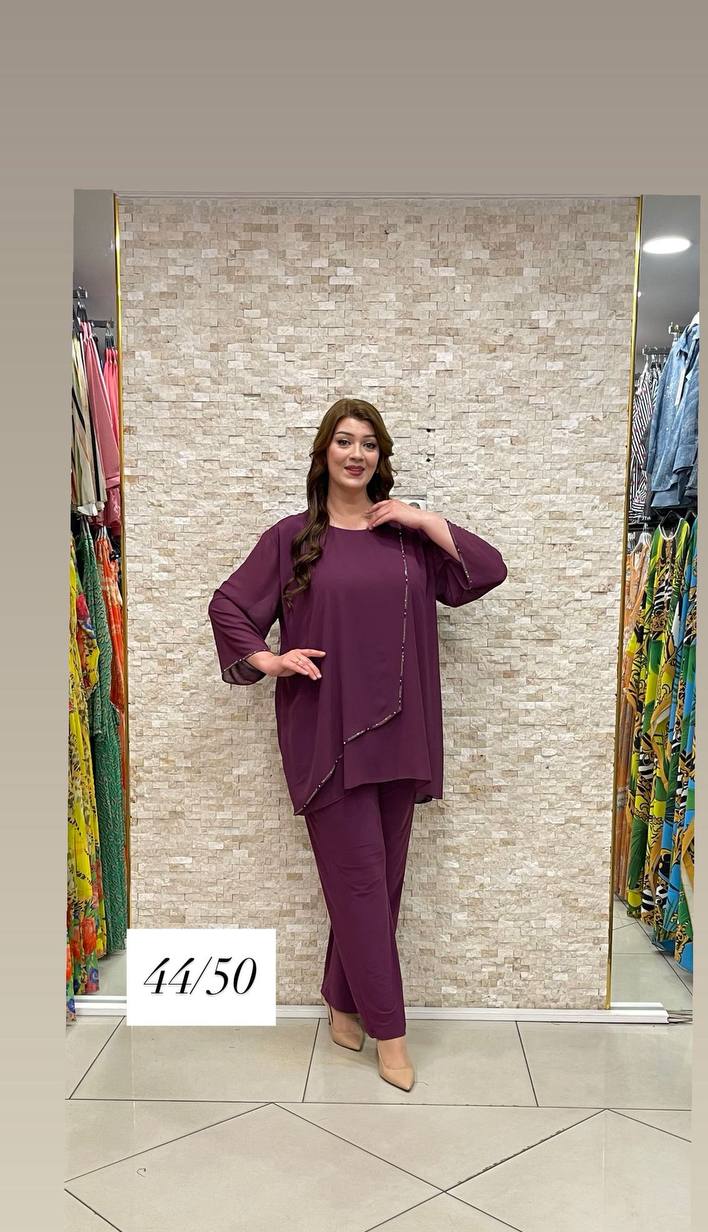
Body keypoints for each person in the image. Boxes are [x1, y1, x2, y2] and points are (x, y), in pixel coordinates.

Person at [208, 397, 507, 1092]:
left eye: (369, 444)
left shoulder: (405, 539)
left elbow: (487, 570)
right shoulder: (291, 538)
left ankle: (342, 1000)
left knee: (379, 884)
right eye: (344, 441)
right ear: (324, 453)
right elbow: (229, 606)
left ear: (381, 457)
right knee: (363, 885)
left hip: (402, 734)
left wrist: (424, 519)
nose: (356, 454)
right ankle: (391, 1035)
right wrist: (269, 659)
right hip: (327, 735)